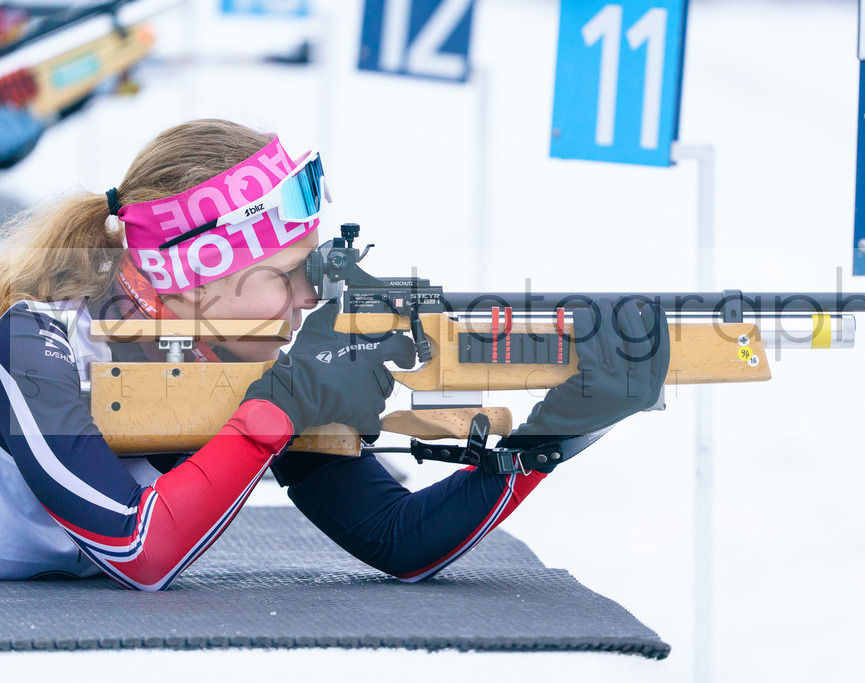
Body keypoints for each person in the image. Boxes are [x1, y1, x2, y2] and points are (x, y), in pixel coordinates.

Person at [0, 119, 670, 591]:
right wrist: (285, 402)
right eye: (286, 273)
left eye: (315, 271)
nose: (307, 298)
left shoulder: (234, 364)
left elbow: (397, 536)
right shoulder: (31, 341)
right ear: (190, 275)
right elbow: (136, 548)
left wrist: (557, 431)